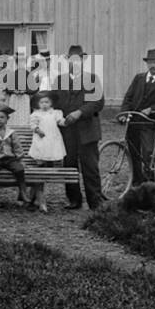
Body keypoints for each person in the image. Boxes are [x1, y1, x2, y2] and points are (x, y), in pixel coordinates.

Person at [56, 43, 106, 210]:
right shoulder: (60, 80)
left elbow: (98, 102)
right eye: (72, 60)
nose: (75, 63)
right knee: (69, 165)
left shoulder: (92, 79)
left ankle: (95, 202)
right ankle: (74, 200)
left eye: (78, 60)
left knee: (90, 166)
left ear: (83, 61)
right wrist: (57, 117)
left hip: (87, 129)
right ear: (68, 61)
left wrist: (79, 112)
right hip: (67, 130)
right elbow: (54, 103)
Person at [119, 47, 155, 183]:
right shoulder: (138, 78)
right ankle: (137, 182)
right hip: (133, 122)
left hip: (149, 122)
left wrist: (151, 108)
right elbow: (128, 97)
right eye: (150, 62)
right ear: (147, 64)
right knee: (133, 153)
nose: (152, 65)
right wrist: (123, 113)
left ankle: (150, 184)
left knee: (148, 153)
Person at [27, 90, 67, 213]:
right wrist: (37, 130)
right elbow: (32, 125)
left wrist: (65, 121)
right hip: (41, 139)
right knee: (40, 165)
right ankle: (37, 198)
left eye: (47, 102)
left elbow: (60, 121)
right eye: (42, 102)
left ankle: (54, 163)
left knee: (53, 152)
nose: (44, 104)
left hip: (52, 138)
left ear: (51, 103)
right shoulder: (36, 114)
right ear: (38, 104)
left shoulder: (56, 112)